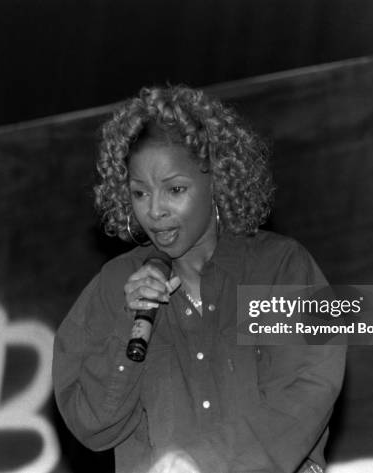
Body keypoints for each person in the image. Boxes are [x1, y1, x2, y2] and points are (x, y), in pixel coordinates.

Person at [52, 85, 346, 473]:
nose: (155, 210)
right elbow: (92, 425)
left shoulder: (276, 268)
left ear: (218, 181)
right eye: (139, 193)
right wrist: (128, 323)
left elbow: (305, 392)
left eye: (175, 189)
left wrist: (206, 461)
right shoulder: (115, 284)